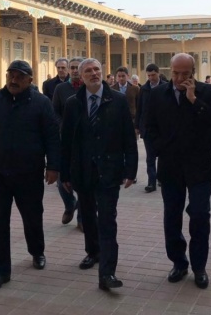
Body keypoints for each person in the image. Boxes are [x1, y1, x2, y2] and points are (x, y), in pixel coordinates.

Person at [0, 60, 60, 292]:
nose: (14, 80)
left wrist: (53, 166)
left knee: (32, 216)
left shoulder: (41, 103)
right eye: (10, 75)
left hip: (29, 172)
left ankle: (37, 251)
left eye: (19, 76)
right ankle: (0, 271)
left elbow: (52, 136)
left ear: (29, 80)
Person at [145, 53, 211, 289]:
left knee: (199, 215)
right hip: (170, 167)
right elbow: (148, 127)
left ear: (193, 73)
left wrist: (193, 100)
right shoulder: (158, 94)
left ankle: (199, 267)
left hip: (199, 167)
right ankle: (178, 262)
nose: (178, 78)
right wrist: (160, 148)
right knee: (172, 217)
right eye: (175, 73)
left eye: (184, 74)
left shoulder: (207, 92)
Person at [60, 58, 138, 291]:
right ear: (81, 76)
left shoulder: (118, 100)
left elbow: (128, 137)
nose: (94, 73)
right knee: (87, 216)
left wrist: (131, 169)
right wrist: (65, 173)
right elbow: (66, 141)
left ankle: (107, 272)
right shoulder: (73, 103)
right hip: (83, 170)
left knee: (107, 220)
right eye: (88, 71)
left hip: (109, 170)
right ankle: (93, 252)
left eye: (97, 70)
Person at [52, 57, 83, 228]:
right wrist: (64, 125)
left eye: (78, 67)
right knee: (61, 180)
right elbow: (54, 111)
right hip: (65, 139)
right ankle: (70, 204)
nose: (75, 70)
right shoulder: (61, 88)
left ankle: (82, 219)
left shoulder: (90, 87)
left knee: (84, 180)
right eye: (72, 67)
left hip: (85, 140)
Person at [135, 63, 166, 193]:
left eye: (153, 75)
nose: (151, 78)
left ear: (158, 73)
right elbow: (139, 108)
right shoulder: (144, 89)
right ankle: (151, 182)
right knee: (150, 157)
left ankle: (161, 178)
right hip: (147, 128)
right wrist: (138, 126)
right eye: (149, 75)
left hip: (163, 129)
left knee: (163, 156)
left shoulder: (166, 87)